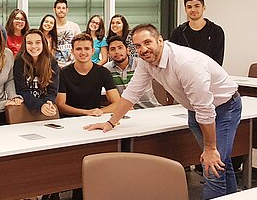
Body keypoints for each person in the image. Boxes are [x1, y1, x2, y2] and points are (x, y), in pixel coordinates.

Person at [85, 24, 241, 200]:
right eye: (137, 46)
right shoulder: (146, 61)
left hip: (224, 107)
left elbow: (205, 109)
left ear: (160, 40)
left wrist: (211, 148)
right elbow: (132, 93)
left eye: (147, 42)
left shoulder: (185, 64)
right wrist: (110, 122)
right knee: (220, 163)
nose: (143, 49)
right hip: (195, 110)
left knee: (212, 167)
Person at [56, 33, 120, 118]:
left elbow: (117, 102)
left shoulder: (103, 72)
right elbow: (61, 106)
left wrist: (100, 111)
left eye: (87, 48)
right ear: (72, 51)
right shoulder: (63, 73)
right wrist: (86, 112)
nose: (83, 52)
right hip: (68, 120)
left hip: (94, 117)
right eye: (78, 49)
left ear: (93, 51)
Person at [103, 36, 161, 109]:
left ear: (127, 50)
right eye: (112, 49)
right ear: (108, 53)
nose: (117, 52)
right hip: (126, 111)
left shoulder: (142, 64)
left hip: (150, 108)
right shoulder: (106, 70)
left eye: (120, 48)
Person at [14, 29, 59, 117]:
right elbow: (21, 90)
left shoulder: (52, 62)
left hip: (45, 107)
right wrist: (40, 105)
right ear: (25, 45)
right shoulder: (19, 62)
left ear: (43, 44)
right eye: (29, 43)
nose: (33, 46)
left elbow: (52, 90)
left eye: (38, 42)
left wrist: (48, 102)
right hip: (25, 108)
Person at [169, 0, 225, 65]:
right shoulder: (178, 32)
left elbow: (218, 61)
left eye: (197, 6)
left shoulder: (216, 31)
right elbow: (173, 59)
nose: (193, 10)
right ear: (185, 10)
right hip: (184, 74)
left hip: (208, 74)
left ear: (204, 8)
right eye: (189, 7)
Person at [53, 0, 81, 68]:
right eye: (58, 8)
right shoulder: (51, 27)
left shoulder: (74, 26)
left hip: (72, 65)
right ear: (54, 10)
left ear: (67, 10)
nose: (61, 10)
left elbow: (80, 45)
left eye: (63, 8)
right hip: (55, 66)